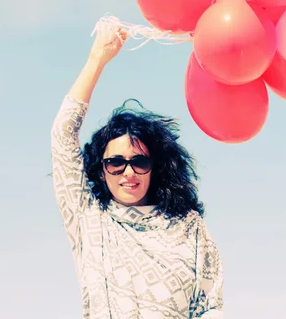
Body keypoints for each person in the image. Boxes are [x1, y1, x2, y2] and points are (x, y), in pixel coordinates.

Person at [50, 26, 223, 318]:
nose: (128, 172)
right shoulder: (89, 218)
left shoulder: (189, 227)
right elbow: (63, 135)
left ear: (155, 168)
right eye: (115, 163)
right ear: (101, 170)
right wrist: (97, 60)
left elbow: (209, 306)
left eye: (139, 162)